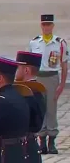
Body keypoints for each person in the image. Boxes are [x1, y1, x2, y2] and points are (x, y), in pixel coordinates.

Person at [28, 14, 68, 154]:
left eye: (49, 24)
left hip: (52, 77)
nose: (46, 27)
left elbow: (64, 64)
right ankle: (42, 141)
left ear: (52, 26)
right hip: (38, 77)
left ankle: (52, 140)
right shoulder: (34, 42)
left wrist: (62, 84)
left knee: (51, 109)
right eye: (44, 25)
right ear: (41, 25)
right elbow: (30, 64)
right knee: (39, 108)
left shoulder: (59, 42)